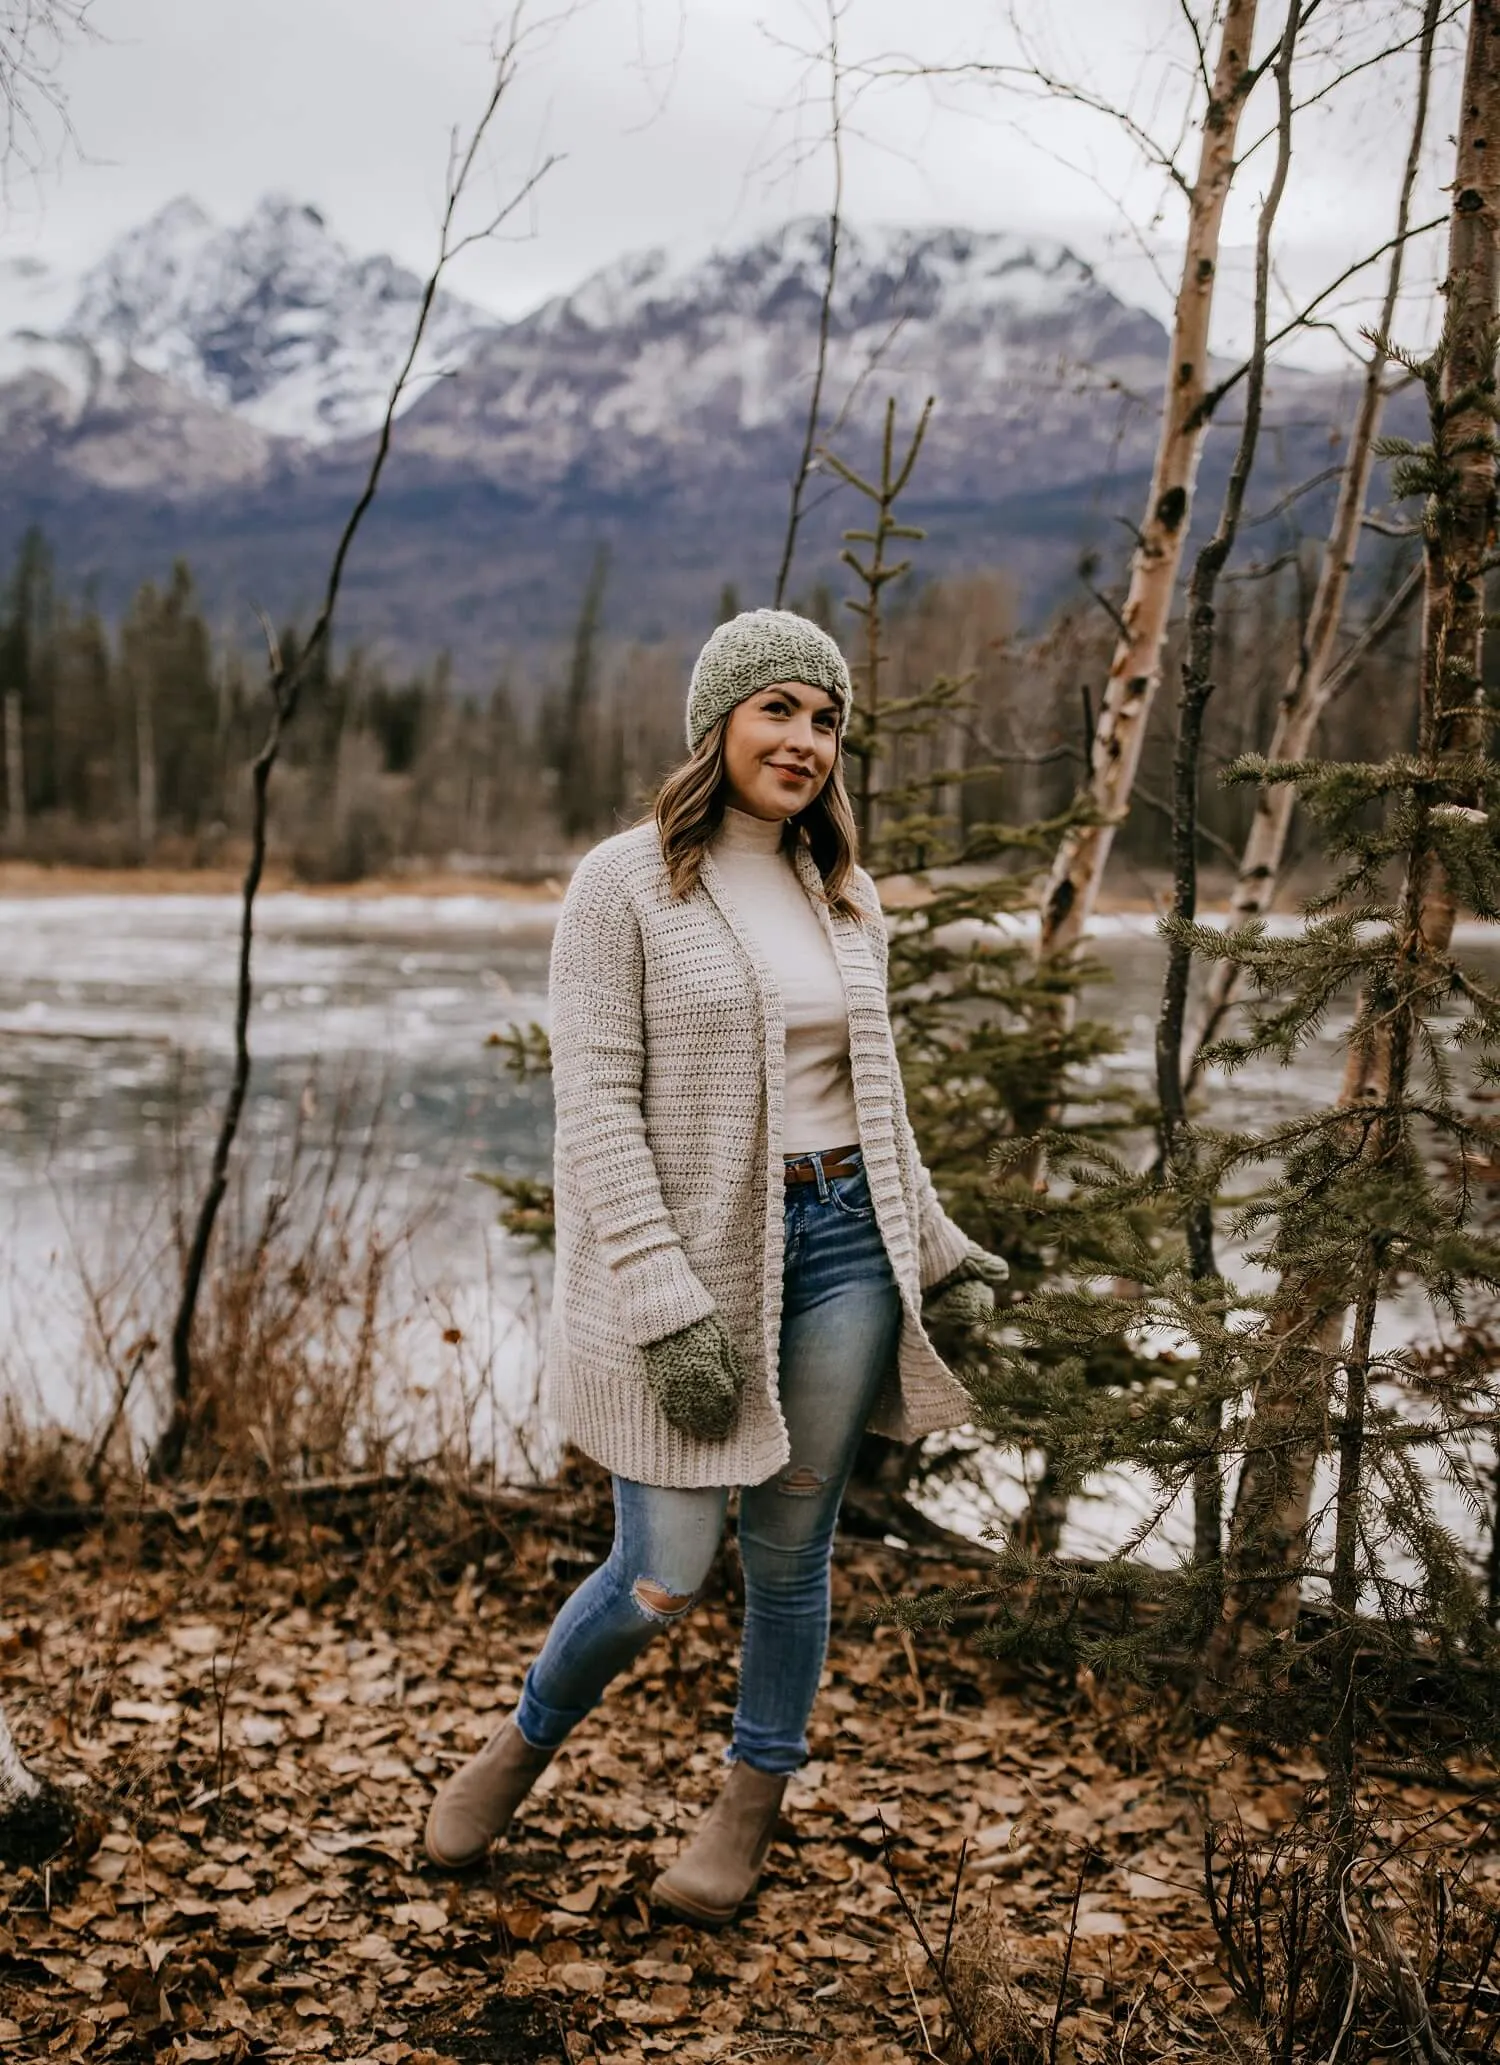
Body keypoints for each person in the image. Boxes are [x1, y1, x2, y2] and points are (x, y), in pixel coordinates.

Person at [423, 609, 1007, 1923]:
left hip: (846, 1245)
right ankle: (518, 1748)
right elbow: (598, 1118)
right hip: (687, 1277)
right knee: (661, 1571)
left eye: (828, 720)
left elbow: (876, 1105)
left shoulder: (842, 895)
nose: (805, 741)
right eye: (780, 710)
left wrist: (935, 1244)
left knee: (792, 1559)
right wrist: (668, 1307)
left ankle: (745, 1818)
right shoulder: (621, 887)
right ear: (719, 725)